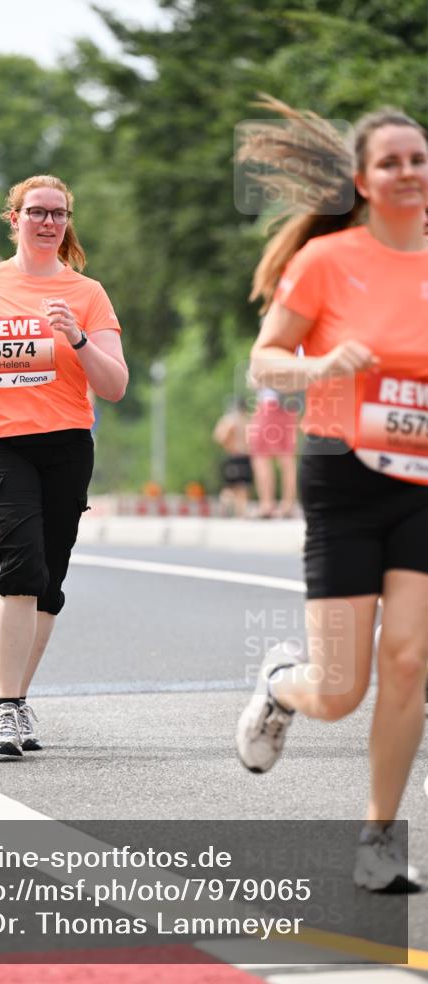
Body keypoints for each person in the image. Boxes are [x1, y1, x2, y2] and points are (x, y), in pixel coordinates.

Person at [234, 98, 428, 892]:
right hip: (343, 472)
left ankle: (378, 839)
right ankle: (282, 685)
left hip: (423, 479)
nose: (407, 173)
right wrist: (317, 370)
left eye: (418, 159)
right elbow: (264, 361)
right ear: (361, 179)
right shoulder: (326, 261)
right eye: (390, 162)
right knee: (341, 691)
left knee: (410, 660)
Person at [0, 175, 128, 758]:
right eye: (37, 212)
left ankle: (19, 701)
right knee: (21, 562)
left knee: (48, 582)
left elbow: (114, 386)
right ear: (13, 218)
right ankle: (6, 708)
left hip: (66, 444)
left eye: (58, 214)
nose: (48, 222)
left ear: (67, 222)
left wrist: (80, 339)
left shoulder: (87, 294)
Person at [248, 387, 299, 517]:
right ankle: (288, 505)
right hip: (289, 405)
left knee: (261, 457)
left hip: (269, 405)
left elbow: (254, 380)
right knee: (287, 457)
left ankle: (267, 505)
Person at [212, 397, 253, 517]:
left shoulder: (245, 419)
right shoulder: (231, 420)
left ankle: (239, 512)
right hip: (235, 456)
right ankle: (233, 510)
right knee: (235, 487)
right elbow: (219, 436)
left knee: (240, 487)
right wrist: (229, 442)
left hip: (243, 456)